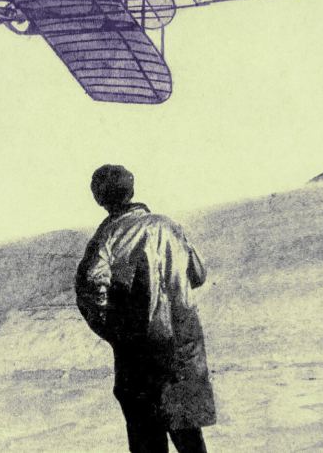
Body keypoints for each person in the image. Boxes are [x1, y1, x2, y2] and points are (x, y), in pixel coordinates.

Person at [75, 165, 216, 453]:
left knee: (147, 441)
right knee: (189, 439)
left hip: (140, 352)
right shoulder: (169, 225)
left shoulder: (107, 238)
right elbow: (198, 274)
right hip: (184, 347)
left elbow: (90, 288)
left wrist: (115, 332)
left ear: (99, 198)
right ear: (132, 190)